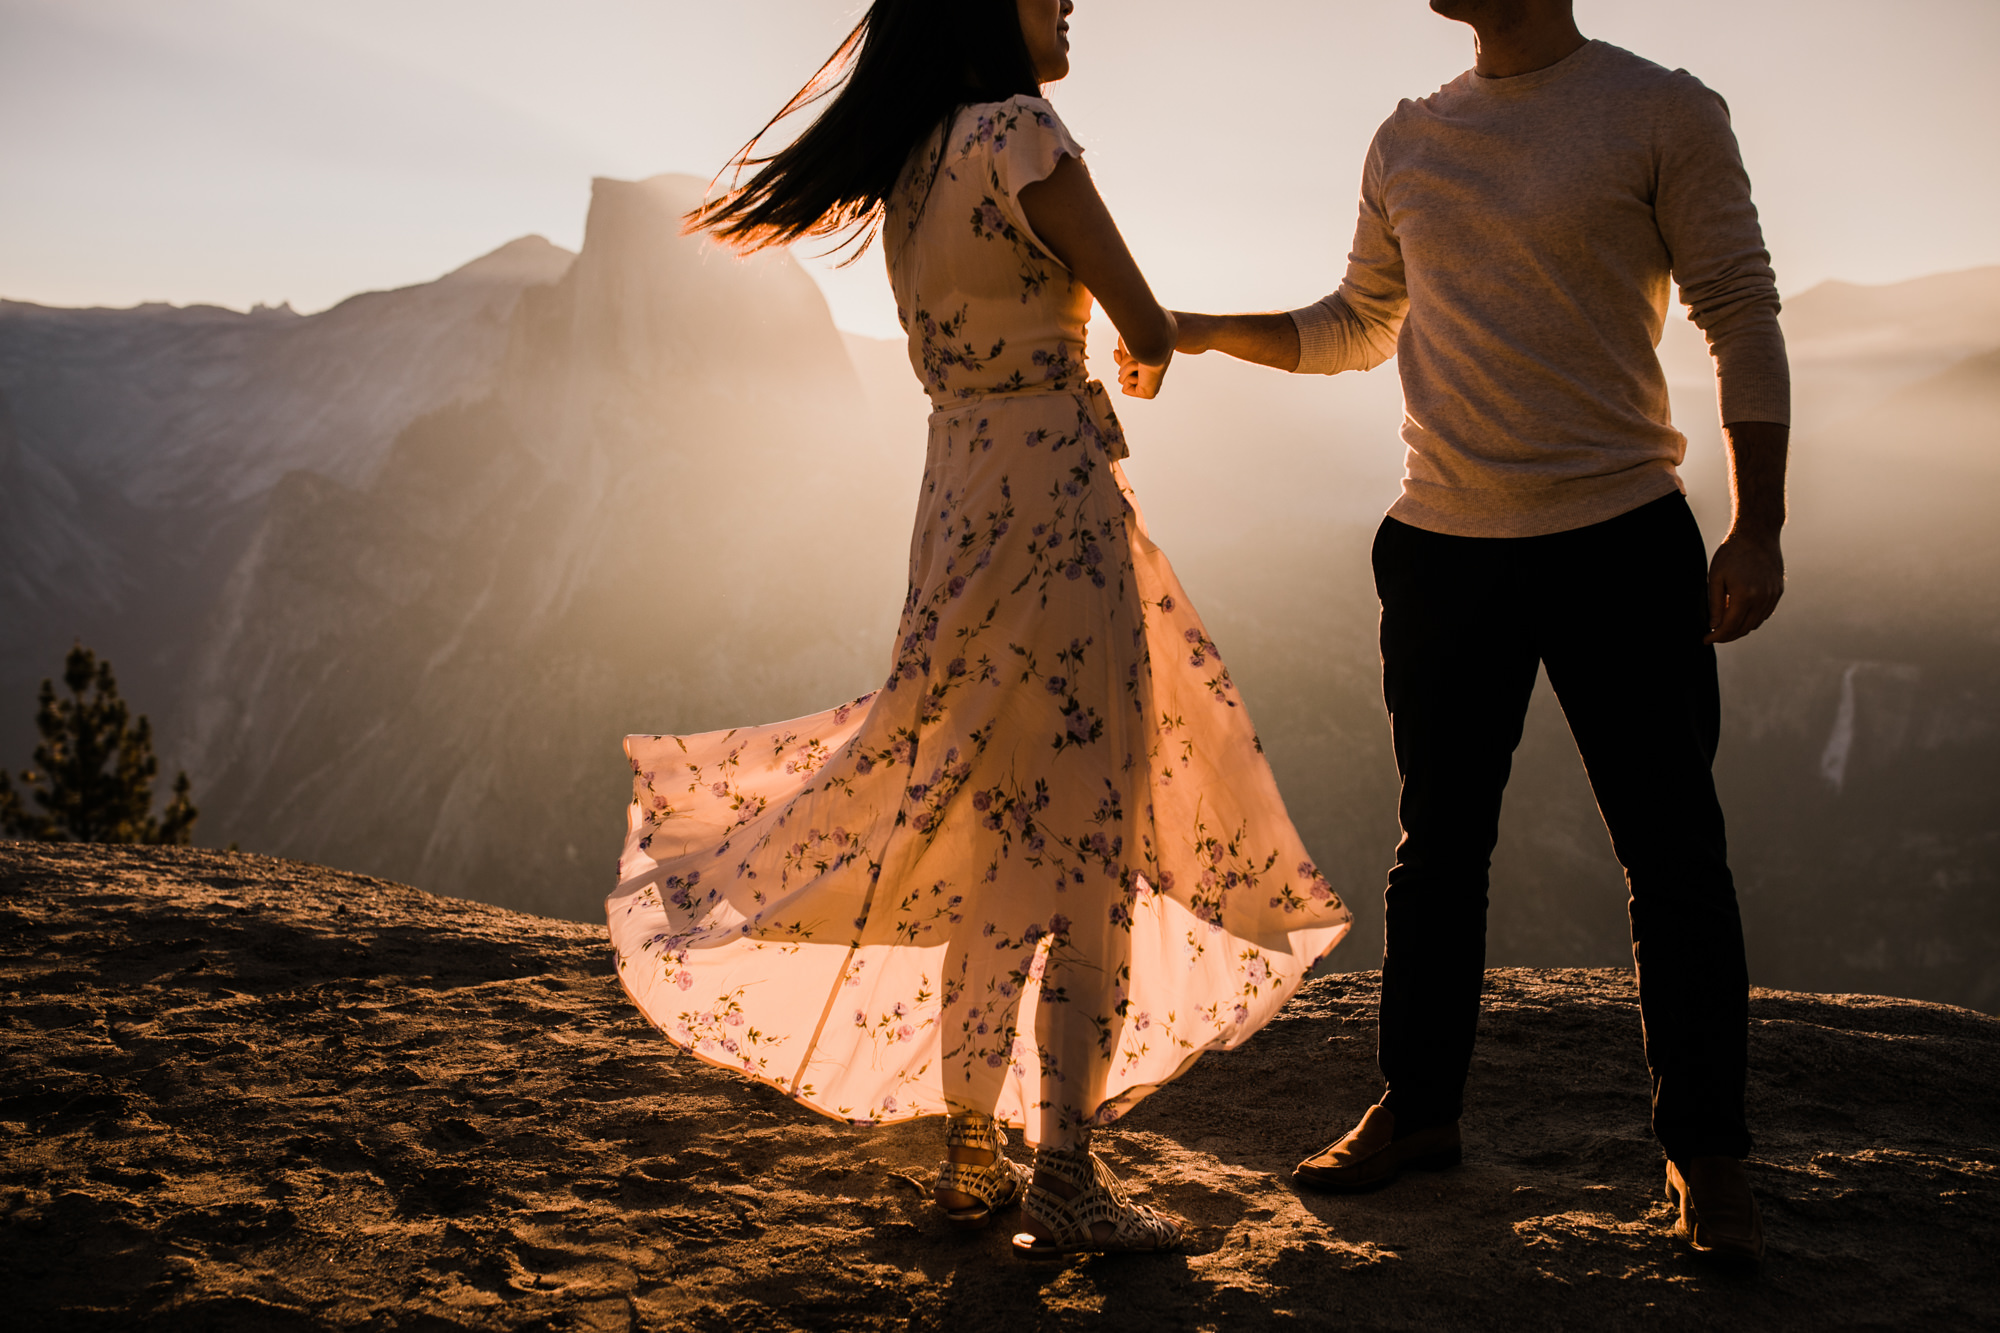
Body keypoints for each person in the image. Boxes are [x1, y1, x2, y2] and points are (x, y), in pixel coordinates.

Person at [605, 0, 1352, 1259]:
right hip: (1056, 512)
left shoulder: (908, 164)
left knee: (986, 827)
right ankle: (1064, 1170)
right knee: (1087, 843)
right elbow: (1147, 320)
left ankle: (969, 1152)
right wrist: (1149, 352)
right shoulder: (1021, 133)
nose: (1071, 5)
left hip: (955, 506)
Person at [1160, 0, 1787, 1265]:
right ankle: (1418, 1109)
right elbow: (1357, 322)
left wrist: (1757, 524)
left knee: (1670, 850)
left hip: (1619, 534)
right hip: (1443, 545)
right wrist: (1205, 329)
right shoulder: (1407, 137)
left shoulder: (1661, 107)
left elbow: (1737, 308)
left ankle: (1706, 1154)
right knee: (1436, 845)